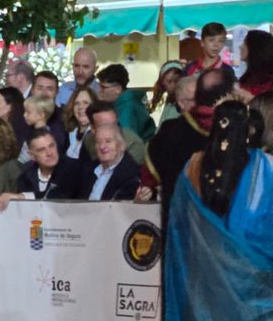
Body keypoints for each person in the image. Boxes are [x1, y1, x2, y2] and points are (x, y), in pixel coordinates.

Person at [164, 100, 273, 321]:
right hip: (252, 281)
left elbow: (179, 225)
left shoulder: (193, 166)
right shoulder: (265, 168)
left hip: (202, 279)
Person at [139, 68, 234, 221]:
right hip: (221, 230)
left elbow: (149, 178)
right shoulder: (235, 130)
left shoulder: (168, 132)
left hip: (177, 226)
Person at [0, 129, 82, 209]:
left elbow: (60, 198)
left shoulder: (74, 168)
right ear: (32, 155)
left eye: (51, 146)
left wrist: (23, 196)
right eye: (42, 150)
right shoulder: (25, 178)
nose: (49, 153)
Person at [78, 124, 140, 201]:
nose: (102, 146)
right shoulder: (88, 169)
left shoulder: (132, 176)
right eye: (98, 142)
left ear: (121, 145)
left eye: (108, 141)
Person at [97, 63, 156, 142]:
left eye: (103, 87)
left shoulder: (127, 109)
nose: (99, 91)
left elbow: (127, 142)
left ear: (118, 89)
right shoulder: (129, 102)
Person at [79, 101, 146, 167]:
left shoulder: (133, 144)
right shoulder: (88, 141)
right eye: (105, 126)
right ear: (93, 129)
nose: (112, 130)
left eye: (114, 124)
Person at [237, 29, 273, 100]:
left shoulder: (270, 80)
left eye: (245, 43)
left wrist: (250, 98)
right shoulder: (247, 78)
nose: (240, 46)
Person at [63, 86, 96, 161]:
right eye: (76, 103)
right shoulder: (69, 133)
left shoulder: (97, 135)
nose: (80, 107)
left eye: (86, 103)